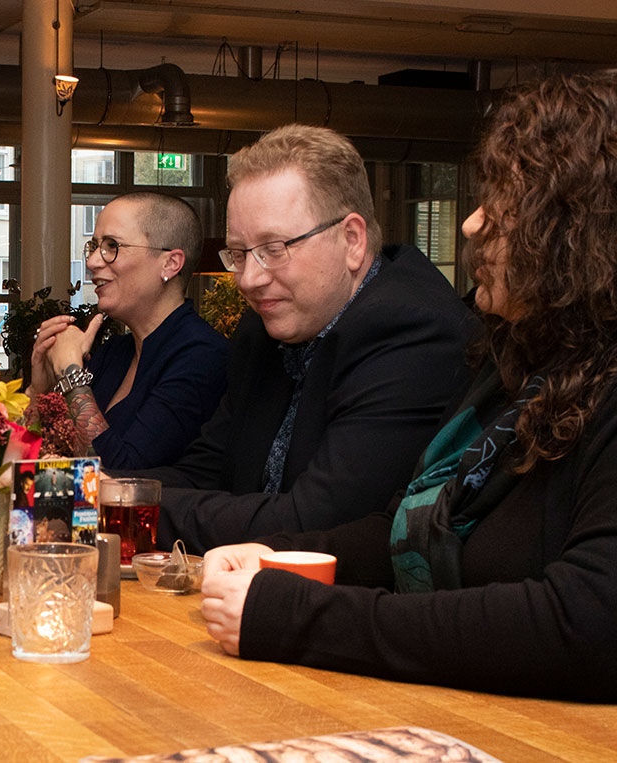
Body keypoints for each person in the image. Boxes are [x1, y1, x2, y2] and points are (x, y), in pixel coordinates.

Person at [201, 69, 617, 703]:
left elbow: (598, 623)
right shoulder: (524, 365)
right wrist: (275, 557)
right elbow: (403, 530)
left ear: (582, 229)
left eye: (502, 203)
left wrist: (296, 617)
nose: (472, 226)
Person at [124, 124, 473, 554]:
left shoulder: (411, 332)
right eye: (238, 254)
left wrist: (132, 508)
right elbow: (206, 471)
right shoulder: (263, 330)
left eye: (274, 249)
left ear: (351, 241)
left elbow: (310, 524)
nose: (249, 280)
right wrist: (99, 490)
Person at [30, 192, 228, 470]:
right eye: (95, 246)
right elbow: (47, 458)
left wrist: (71, 373)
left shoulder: (202, 356)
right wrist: (41, 390)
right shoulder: (115, 352)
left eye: (112, 246)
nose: (93, 262)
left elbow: (120, 475)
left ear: (170, 263)